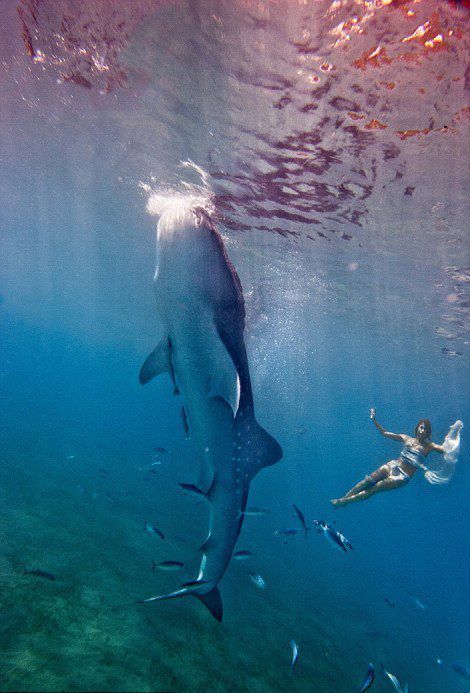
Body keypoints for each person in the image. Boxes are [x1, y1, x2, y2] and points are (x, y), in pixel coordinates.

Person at [331, 409, 448, 507]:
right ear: (417, 428)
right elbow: (385, 433)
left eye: (425, 430)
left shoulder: (429, 446)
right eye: (421, 427)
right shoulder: (406, 438)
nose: (422, 431)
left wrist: (454, 436)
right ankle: (343, 499)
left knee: (374, 488)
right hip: (393, 465)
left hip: (402, 477)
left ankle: (343, 502)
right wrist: (374, 419)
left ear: (428, 433)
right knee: (366, 481)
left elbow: (445, 450)